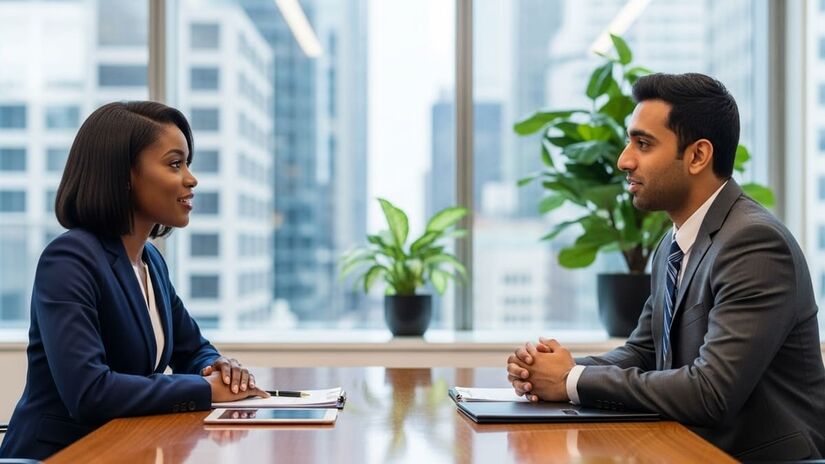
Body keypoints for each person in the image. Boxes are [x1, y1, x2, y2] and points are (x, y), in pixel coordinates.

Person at [507, 73, 825, 461]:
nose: (624, 159)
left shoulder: (754, 244)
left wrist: (572, 380)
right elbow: (642, 353)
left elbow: (710, 393)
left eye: (643, 144)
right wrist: (551, 370)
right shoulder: (673, 243)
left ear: (697, 156)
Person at [0, 102, 269, 460]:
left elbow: (192, 349)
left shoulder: (150, 261)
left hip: (125, 448)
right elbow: (90, 391)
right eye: (175, 163)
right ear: (125, 176)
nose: (191, 178)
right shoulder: (69, 260)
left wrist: (219, 368)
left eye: (187, 163)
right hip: (62, 455)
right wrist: (205, 389)